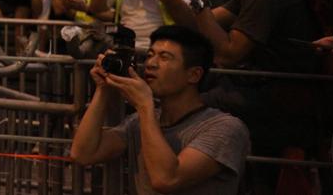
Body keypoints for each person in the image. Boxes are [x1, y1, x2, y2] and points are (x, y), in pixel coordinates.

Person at [154, 0, 323, 192]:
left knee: (181, 106)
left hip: (279, 104)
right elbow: (196, 24)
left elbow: (230, 53)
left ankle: (175, 177)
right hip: (262, 96)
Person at [70, 26, 250, 195]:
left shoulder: (225, 128)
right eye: (150, 55)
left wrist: (144, 106)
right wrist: (104, 88)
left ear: (194, 74)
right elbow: (83, 154)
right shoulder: (139, 121)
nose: (151, 64)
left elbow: (166, 179)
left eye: (164, 57)